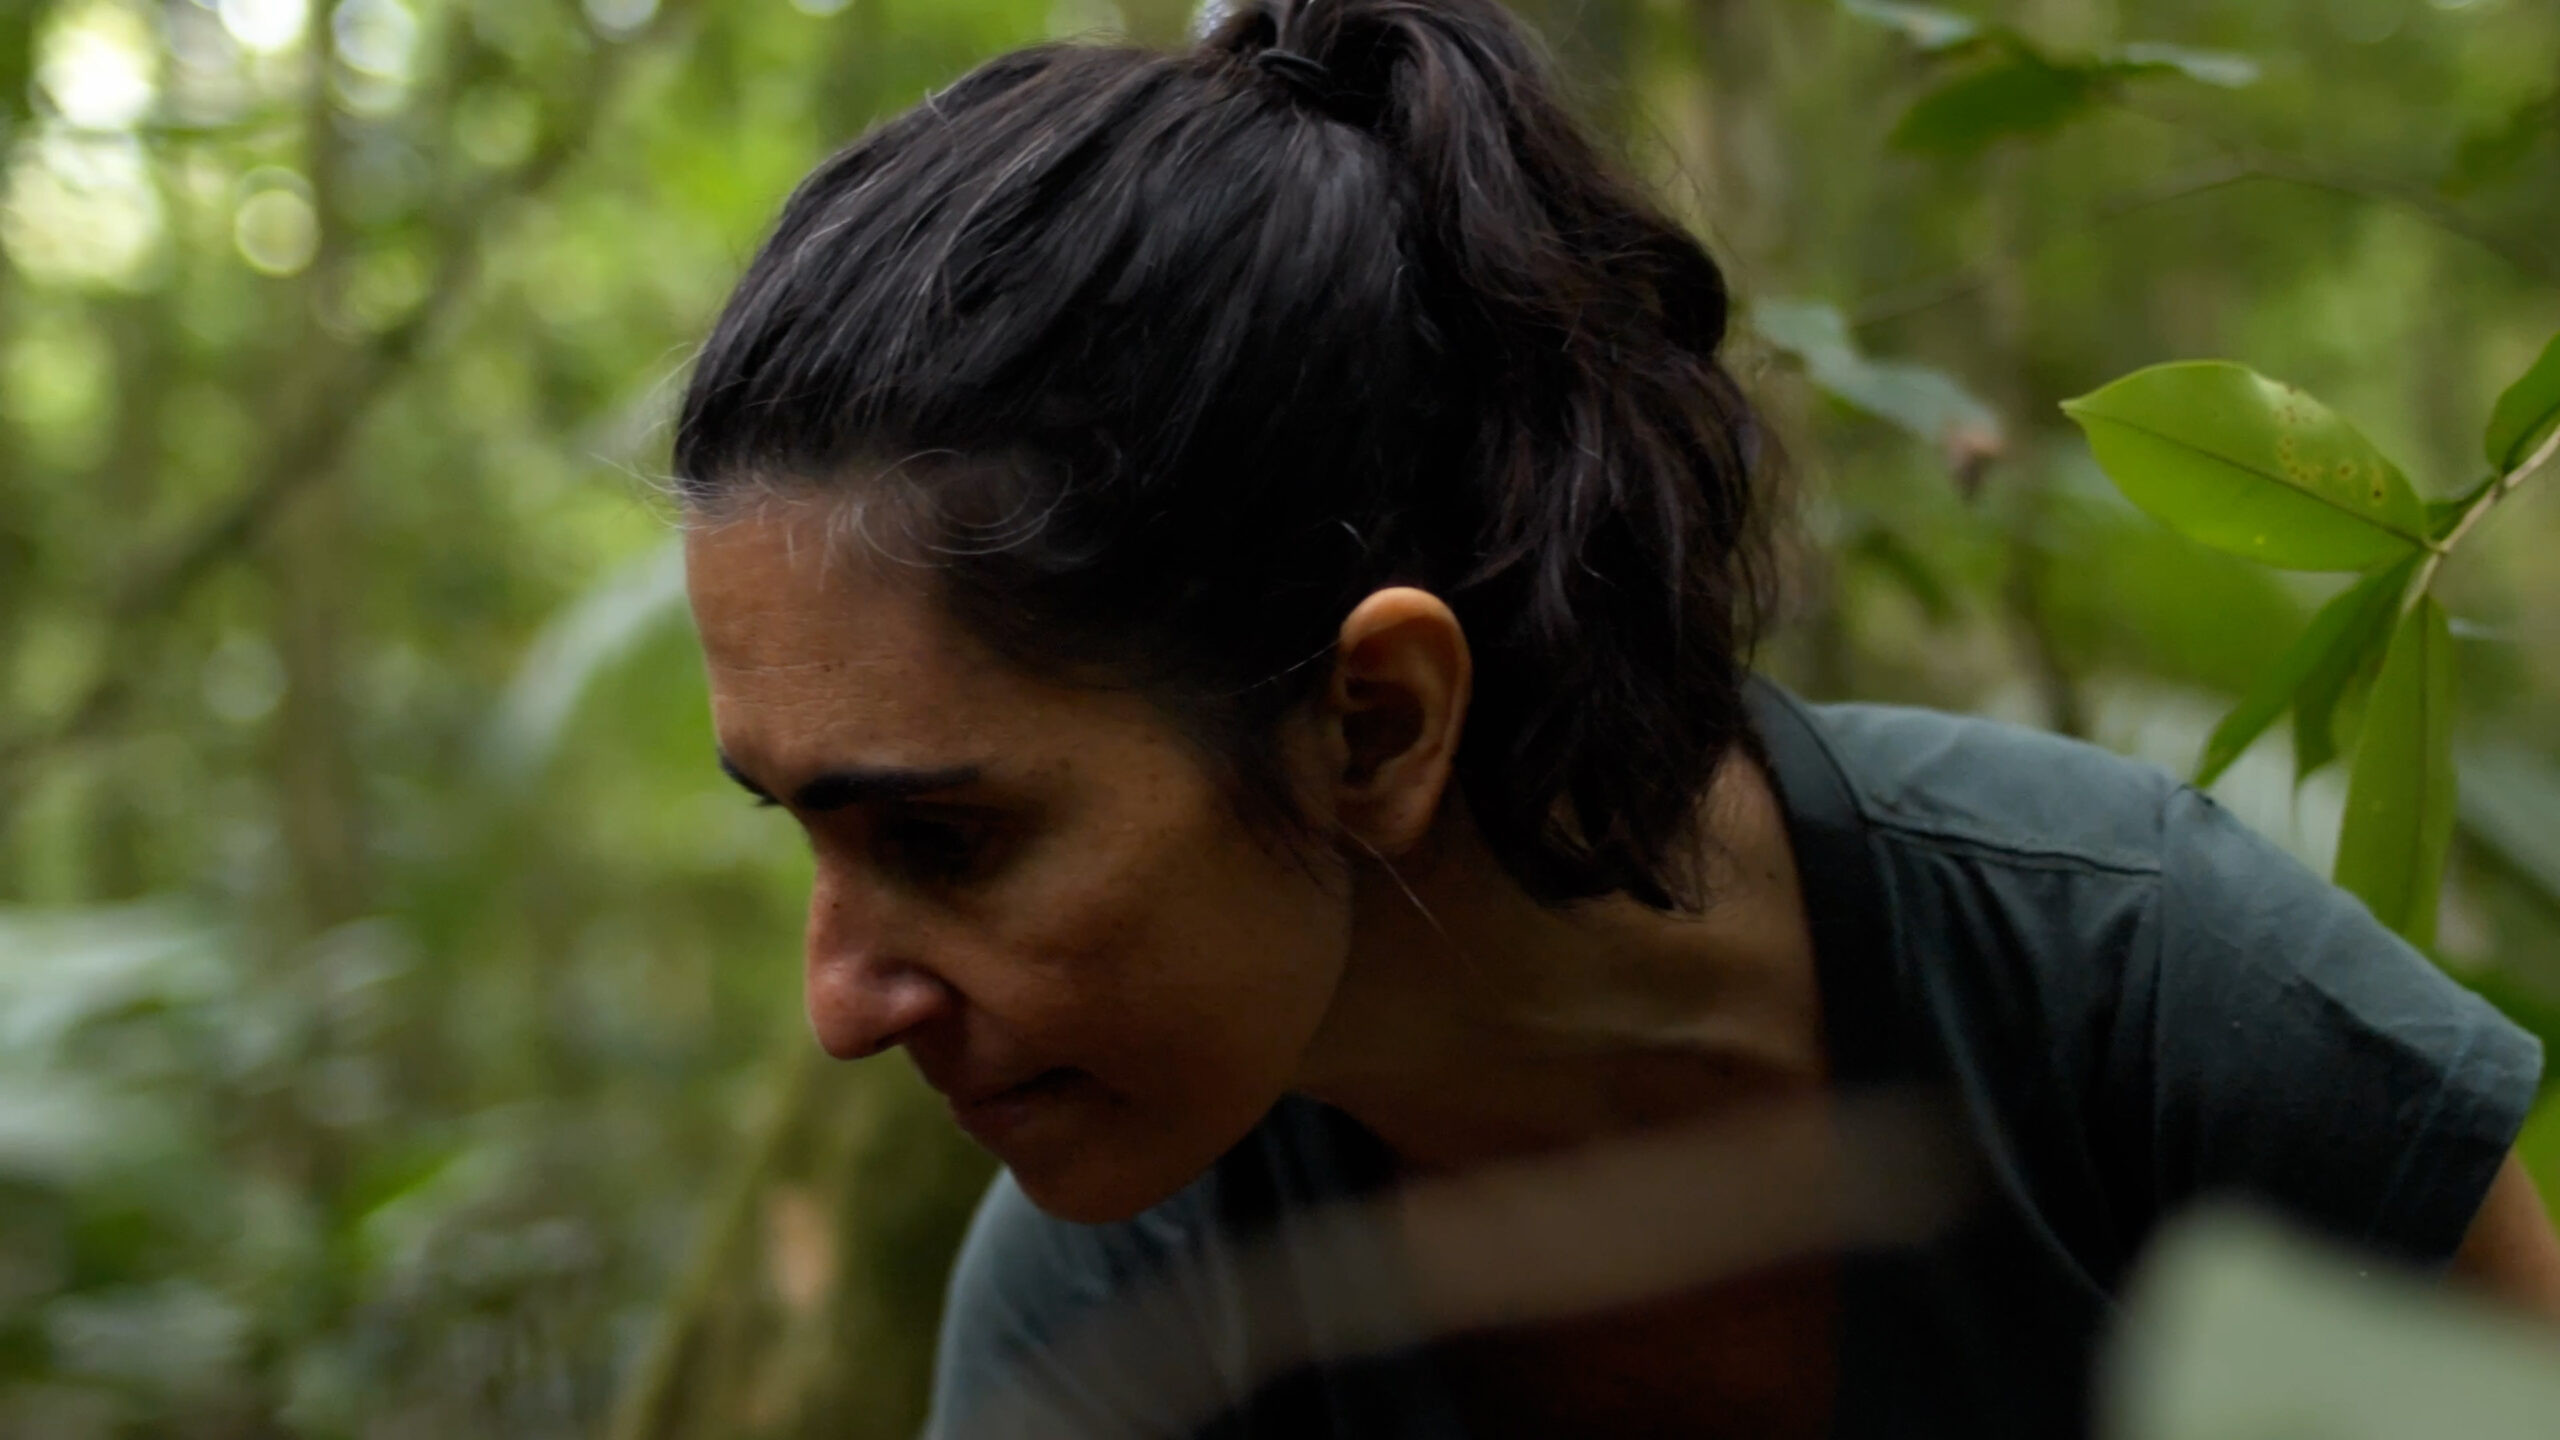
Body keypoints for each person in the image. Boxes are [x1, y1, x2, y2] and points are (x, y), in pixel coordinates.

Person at [669, 0, 2560, 1434]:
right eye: (802, 830)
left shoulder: (2134, 1014)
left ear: (1376, 725)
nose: (842, 1005)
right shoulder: (1116, 1313)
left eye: (941, 839)